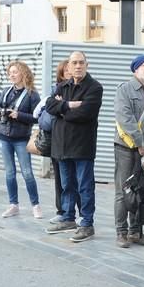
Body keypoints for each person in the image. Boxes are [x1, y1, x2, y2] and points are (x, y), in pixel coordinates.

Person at [45, 51, 103, 243]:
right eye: (74, 63)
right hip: (62, 145)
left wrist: (62, 110)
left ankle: (87, 224)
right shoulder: (63, 86)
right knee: (66, 185)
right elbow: (49, 105)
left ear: (87, 65)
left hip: (82, 145)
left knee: (84, 186)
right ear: (68, 66)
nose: (77, 66)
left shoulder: (94, 88)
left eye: (81, 62)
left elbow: (86, 113)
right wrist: (69, 105)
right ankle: (68, 218)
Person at [113, 54, 144, 248]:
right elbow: (125, 119)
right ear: (136, 69)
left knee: (141, 190)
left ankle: (136, 231)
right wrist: (140, 143)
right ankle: (121, 232)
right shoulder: (125, 89)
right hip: (126, 147)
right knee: (124, 190)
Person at [0, 61, 42, 219]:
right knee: (9, 173)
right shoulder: (6, 91)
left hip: (21, 138)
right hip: (3, 136)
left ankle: (35, 205)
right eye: (10, 72)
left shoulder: (32, 94)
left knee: (27, 173)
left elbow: (38, 118)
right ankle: (13, 205)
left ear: (24, 73)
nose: (12, 75)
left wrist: (18, 115)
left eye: (15, 72)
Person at [47, 59, 80, 224]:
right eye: (66, 72)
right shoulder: (56, 90)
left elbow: (83, 112)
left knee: (79, 180)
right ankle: (64, 212)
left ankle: (80, 214)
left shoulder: (82, 89)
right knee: (62, 180)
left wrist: (62, 107)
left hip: (77, 143)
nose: (70, 74)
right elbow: (47, 113)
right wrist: (65, 106)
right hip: (58, 141)